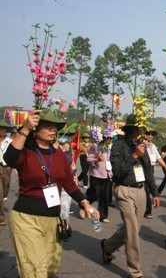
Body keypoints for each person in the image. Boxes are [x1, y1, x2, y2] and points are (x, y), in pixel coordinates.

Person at [3, 109, 99, 278]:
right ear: (35, 129)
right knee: (36, 270)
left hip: (53, 220)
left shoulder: (59, 154)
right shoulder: (26, 152)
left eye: (54, 127)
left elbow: (69, 183)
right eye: (47, 126)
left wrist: (85, 203)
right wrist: (24, 129)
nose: (53, 130)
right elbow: (9, 159)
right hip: (26, 218)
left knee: (49, 270)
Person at [100, 115, 160, 278]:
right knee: (132, 230)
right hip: (124, 190)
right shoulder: (118, 145)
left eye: (140, 130)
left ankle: (108, 245)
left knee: (132, 229)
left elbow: (148, 170)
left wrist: (154, 192)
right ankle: (135, 271)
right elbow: (118, 171)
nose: (138, 132)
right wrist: (134, 156)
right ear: (129, 130)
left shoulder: (142, 146)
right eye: (136, 129)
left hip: (141, 190)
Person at [85, 133, 113, 222]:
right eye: (109, 137)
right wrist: (97, 160)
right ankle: (84, 204)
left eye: (111, 138)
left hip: (107, 174)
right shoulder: (95, 146)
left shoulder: (111, 147)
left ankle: (103, 216)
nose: (110, 139)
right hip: (96, 173)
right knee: (95, 193)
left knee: (105, 195)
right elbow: (88, 159)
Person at [144, 129, 166, 219]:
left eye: (152, 135)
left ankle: (146, 210)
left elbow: (158, 158)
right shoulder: (141, 144)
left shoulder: (153, 146)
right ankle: (147, 211)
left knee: (148, 189)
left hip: (151, 168)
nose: (150, 136)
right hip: (142, 168)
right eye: (148, 134)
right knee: (145, 190)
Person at [0, 119, 13, 226]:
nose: (2, 130)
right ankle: (0, 217)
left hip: (7, 167)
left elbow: (16, 155)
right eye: (1, 128)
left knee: (5, 188)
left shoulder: (10, 141)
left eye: (4, 129)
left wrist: (18, 172)